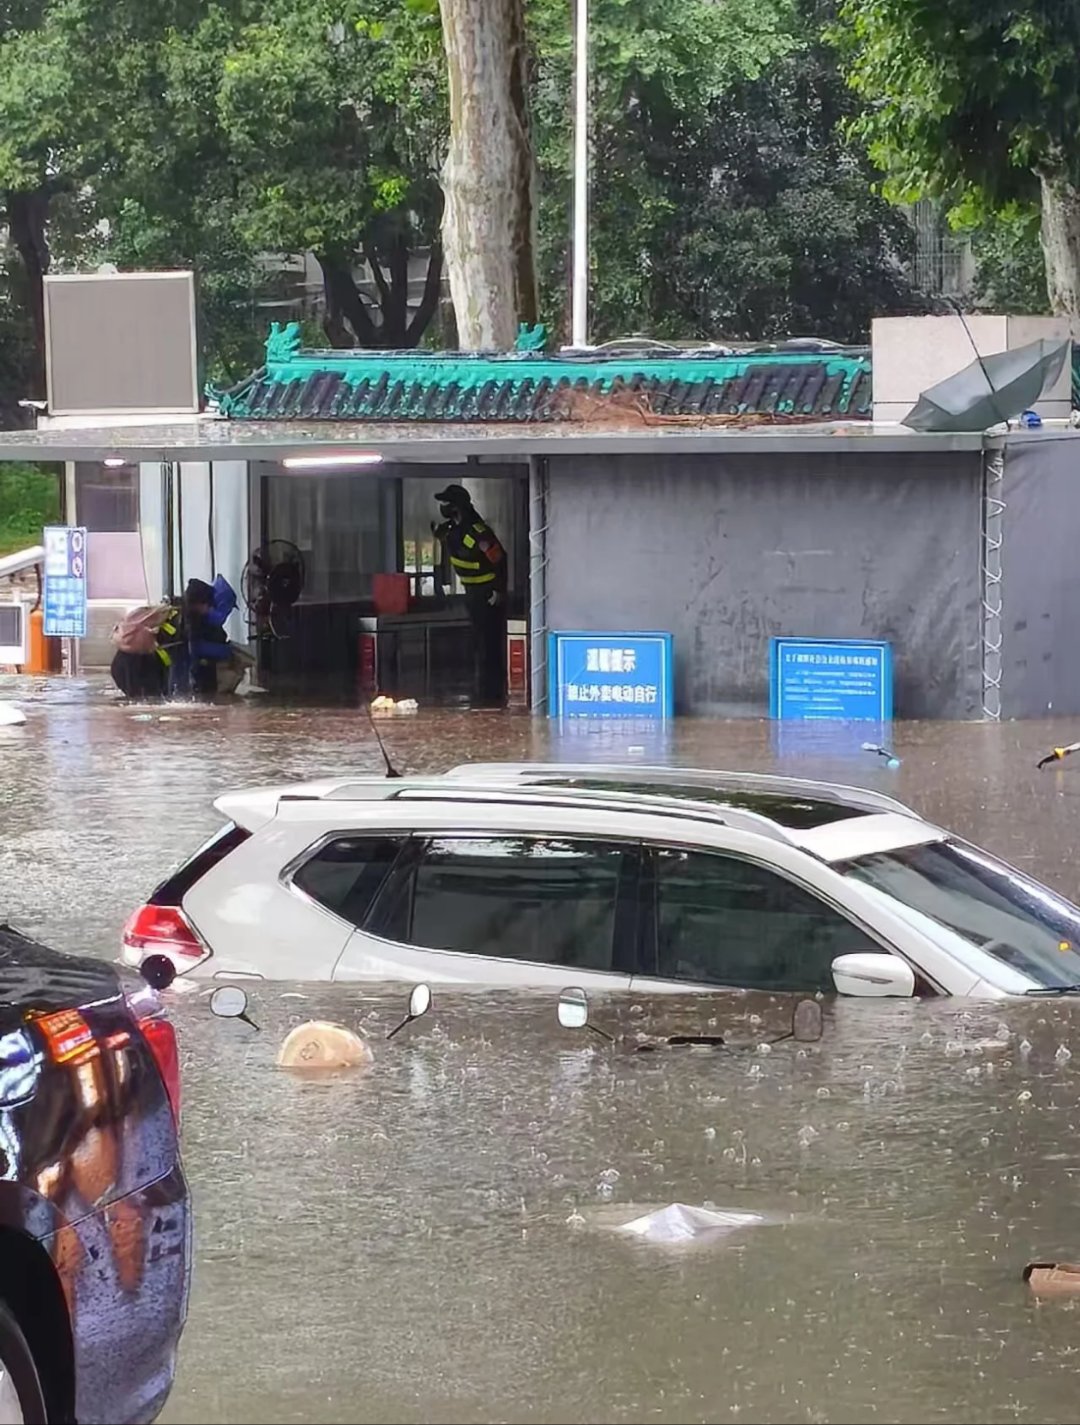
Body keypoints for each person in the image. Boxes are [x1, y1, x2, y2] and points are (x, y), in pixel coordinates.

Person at [433, 484, 507, 707]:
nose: (443, 507)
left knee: (488, 641)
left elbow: (499, 559)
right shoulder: (450, 530)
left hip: (486, 595)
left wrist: (498, 590)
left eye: (447, 503)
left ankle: (491, 691)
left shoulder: (477, 531)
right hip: (469, 593)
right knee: (477, 639)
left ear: (458, 506)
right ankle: (481, 685)